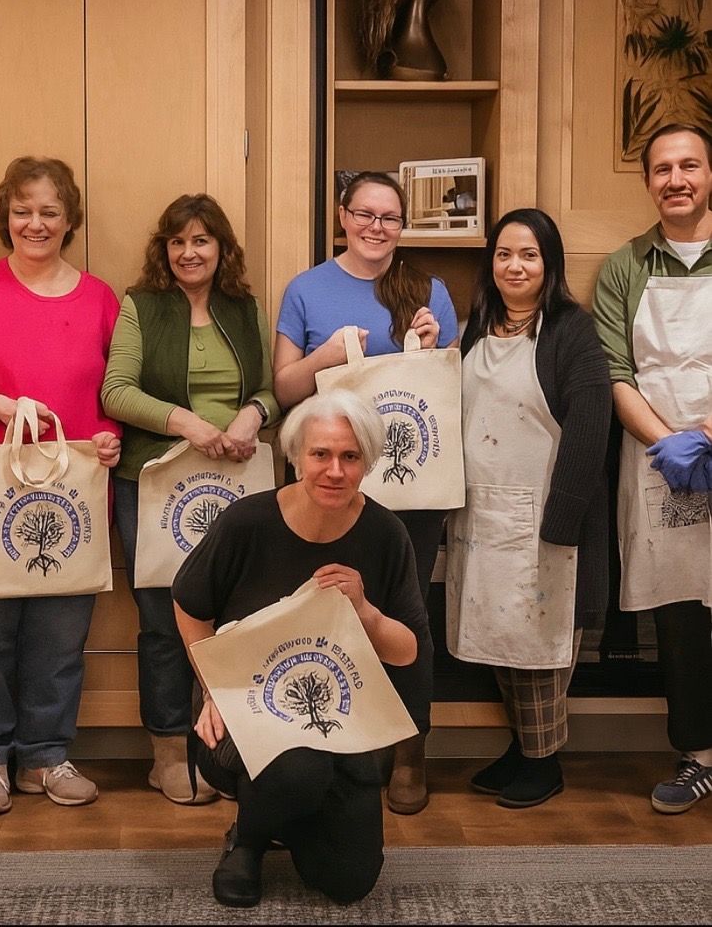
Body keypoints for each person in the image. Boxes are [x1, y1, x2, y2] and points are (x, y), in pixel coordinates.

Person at [172, 390, 429, 908]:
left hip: (341, 726)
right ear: (295, 457)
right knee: (300, 769)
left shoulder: (386, 533)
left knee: (349, 880)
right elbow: (189, 604)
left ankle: (286, 814)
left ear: (368, 462)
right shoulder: (248, 522)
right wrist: (213, 690)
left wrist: (366, 611)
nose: (334, 470)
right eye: (320, 455)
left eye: (350, 457)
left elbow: (407, 652)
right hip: (241, 714)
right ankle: (247, 841)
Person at [0, 156, 121, 815]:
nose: (35, 223)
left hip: (69, 505)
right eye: (22, 211)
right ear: (5, 217)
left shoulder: (100, 300)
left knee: (59, 641)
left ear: (70, 220)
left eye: (49, 211)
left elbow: (116, 388)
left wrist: (112, 434)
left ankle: (45, 755)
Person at [273, 170, 452, 814]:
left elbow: (446, 395)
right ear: (343, 217)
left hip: (413, 485)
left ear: (402, 227)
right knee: (330, 607)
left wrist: (431, 350)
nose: (377, 228)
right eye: (365, 215)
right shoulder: (307, 289)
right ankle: (337, 738)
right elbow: (285, 391)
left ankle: (410, 750)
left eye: (391, 218)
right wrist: (323, 359)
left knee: (407, 616)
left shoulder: (428, 290)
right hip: (330, 482)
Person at [101, 193, 280, 805]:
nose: (188, 252)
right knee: (161, 622)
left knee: (233, 619)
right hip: (153, 484)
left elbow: (269, 390)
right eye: (178, 241)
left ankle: (224, 749)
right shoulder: (141, 307)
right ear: (165, 249)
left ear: (221, 248)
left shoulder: (245, 307)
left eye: (201, 240)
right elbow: (115, 392)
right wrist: (189, 424)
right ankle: (168, 754)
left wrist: (253, 416)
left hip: (235, 485)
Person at [445, 208, 611, 808]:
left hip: (544, 515)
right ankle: (523, 748)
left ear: (550, 265)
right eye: (504, 255)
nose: (515, 266)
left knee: (537, 644)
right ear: (490, 264)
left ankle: (545, 761)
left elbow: (592, 426)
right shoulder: (476, 328)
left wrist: (562, 519)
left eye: (529, 256)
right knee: (498, 638)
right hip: (482, 516)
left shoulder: (571, 331)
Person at [592, 123, 712, 815]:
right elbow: (616, 370)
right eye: (662, 169)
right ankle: (698, 754)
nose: (676, 179)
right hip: (657, 462)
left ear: (708, 174)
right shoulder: (625, 266)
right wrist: (670, 442)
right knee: (679, 609)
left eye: (689, 165)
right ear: (647, 183)